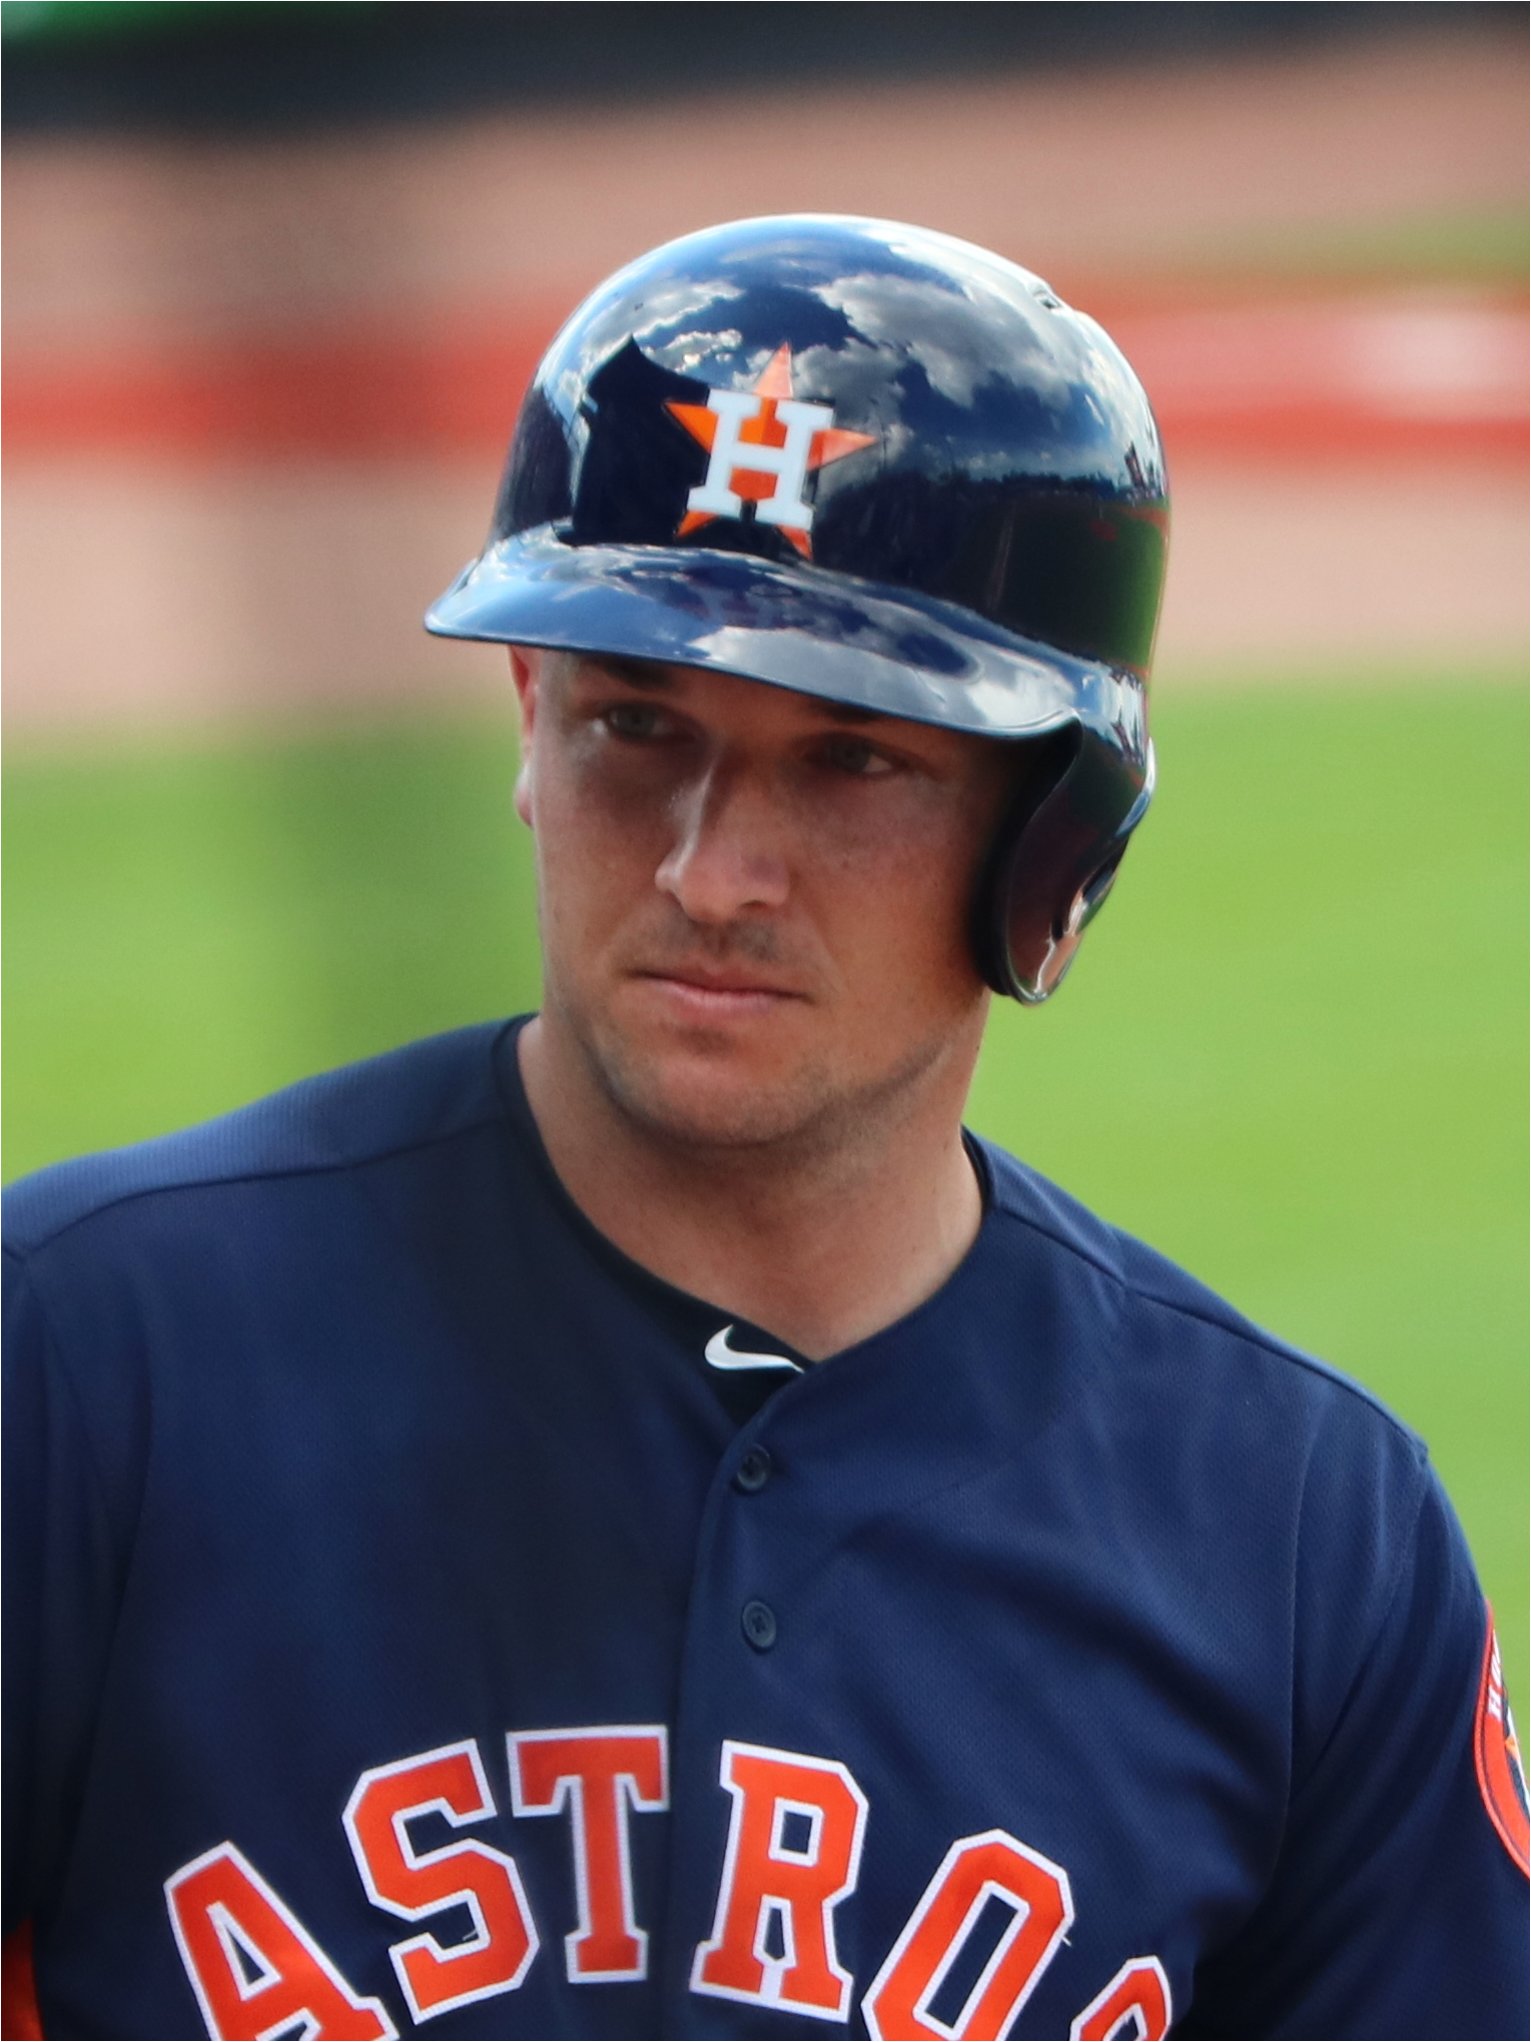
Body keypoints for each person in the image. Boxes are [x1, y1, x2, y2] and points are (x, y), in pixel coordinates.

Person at [3, 214, 1525, 2042]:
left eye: (853, 759)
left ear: (1056, 835)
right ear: (528, 717)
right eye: (636, 727)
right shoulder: (81, 1360)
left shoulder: (1297, 1535)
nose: (710, 871)